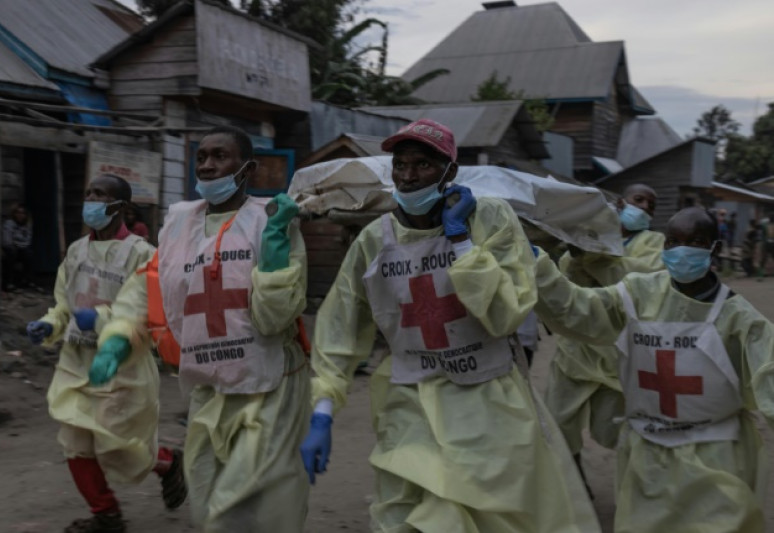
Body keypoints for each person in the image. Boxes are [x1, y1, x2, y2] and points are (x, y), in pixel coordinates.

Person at [300, 119, 599, 532]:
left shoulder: (490, 219)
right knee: (407, 516)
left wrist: (461, 242)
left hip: (488, 403)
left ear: (449, 172)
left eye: (422, 164)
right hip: (410, 402)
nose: (407, 175)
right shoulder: (374, 239)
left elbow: (504, 313)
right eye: (400, 164)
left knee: (491, 517)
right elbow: (341, 325)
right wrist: (323, 410)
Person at [115, 125, 309, 532]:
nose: (207, 165)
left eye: (220, 156)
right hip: (208, 383)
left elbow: (274, 318)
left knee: (257, 501)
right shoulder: (179, 225)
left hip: (268, 383)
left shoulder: (271, 221)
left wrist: (274, 250)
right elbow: (152, 285)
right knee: (206, 494)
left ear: (248, 168)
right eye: (201, 157)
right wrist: (118, 334)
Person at [532, 207, 774, 533]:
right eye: (673, 241)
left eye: (696, 241)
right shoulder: (637, 294)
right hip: (648, 453)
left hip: (716, 455)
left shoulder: (740, 318)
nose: (682, 250)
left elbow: (768, 377)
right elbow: (577, 309)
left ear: (715, 248)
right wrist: (533, 263)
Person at [25, 175, 184, 533]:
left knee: (118, 447)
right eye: (88, 193)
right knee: (76, 444)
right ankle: (106, 514)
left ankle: (168, 463)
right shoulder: (77, 251)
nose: (91, 200)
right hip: (76, 363)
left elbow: (146, 314)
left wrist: (99, 318)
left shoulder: (143, 254)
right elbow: (63, 304)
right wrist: (49, 325)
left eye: (100, 194)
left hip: (122, 368)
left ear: (121, 207)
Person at [544, 184, 665, 467]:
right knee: (559, 419)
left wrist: (594, 257)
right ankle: (575, 480)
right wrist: (579, 256)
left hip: (617, 350)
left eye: (651, 204)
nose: (645, 207)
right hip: (575, 349)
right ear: (621, 202)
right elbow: (565, 283)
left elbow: (643, 279)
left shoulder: (652, 242)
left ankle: (638, 480)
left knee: (611, 425)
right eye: (639, 199)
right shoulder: (591, 235)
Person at [2, 204, 34, 290]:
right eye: (18, 213)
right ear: (14, 214)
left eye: (23, 213)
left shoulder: (27, 225)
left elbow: (27, 240)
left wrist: (19, 245)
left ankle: (27, 280)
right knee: (11, 252)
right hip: (9, 248)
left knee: (29, 254)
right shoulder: (9, 224)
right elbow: (7, 240)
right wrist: (17, 244)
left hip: (21, 248)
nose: (20, 215)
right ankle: (8, 282)